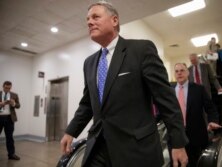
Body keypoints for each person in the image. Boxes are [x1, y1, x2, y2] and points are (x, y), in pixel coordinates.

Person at [60, 1, 188, 167]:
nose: (89, 22)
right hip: (98, 148)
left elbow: (166, 100)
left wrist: (178, 142)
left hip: (135, 150)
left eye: (95, 17)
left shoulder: (141, 50)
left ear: (114, 20)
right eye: (87, 19)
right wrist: (71, 131)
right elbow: (87, 104)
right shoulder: (89, 63)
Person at [168, 63, 222, 167]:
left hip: (196, 137)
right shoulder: (169, 90)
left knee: (196, 164)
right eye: (176, 71)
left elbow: (210, 108)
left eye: (182, 70)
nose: (179, 73)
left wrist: (212, 121)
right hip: (175, 137)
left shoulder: (198, 89)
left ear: (188, 72)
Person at [0, 81, 21, 160]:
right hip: (0, 117)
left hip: (9, 118)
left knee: (10, 137)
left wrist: (14, 104)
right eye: (6, 88)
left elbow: (18, 106)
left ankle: (11, 154)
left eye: (9, 88)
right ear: (3, 86)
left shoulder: (14, 95)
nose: (7, 89)